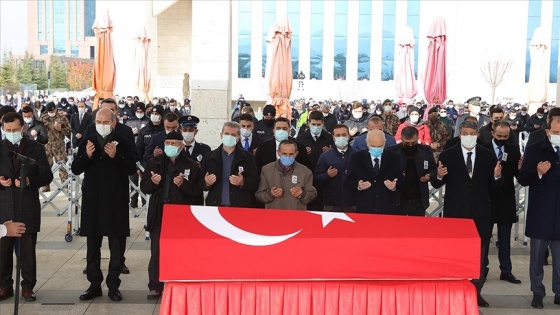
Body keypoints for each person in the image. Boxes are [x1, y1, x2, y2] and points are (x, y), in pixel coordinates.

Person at [432, 120, 503, 308]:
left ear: (477, 135)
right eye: (465, 133)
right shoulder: (448, 155)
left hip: (481, 213)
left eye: (472, 133)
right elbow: (438, 182)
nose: (469, 136)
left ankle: (475, 292)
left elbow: (495, 186)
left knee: (479, 254)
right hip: (456, 213)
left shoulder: (488, 156)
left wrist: (497, 176)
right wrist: (438, 175)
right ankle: (454, 291)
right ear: (459, 135)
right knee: (454, 252)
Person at [71, 108, 137, 302]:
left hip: (115, 200)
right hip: (93, 200)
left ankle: (113, 285)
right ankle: (94, 284)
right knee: (93, 245)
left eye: (105, 122)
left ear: (113, 123)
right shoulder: (88, 140)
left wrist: (116, 155)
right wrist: (87, 156)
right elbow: (76, 167)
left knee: (116, 246)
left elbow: (131, 168)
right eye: (98, 121)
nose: (101, 125)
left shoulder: (123, 142)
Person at [141, 131, 202, 300]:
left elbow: (197, 192)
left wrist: (184, 185)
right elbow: (144, 187)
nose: (170, 147)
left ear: (181, 146)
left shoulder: (191, 165)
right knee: (157, 251)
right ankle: (155, 285)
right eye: (167, 143)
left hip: (180, 214)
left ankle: (179, 282)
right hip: (159, 211)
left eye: (174, 144)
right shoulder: (154, 163)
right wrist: (152, 183)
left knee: (181, 250)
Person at [0, 112, 53, 301]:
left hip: (27, 205)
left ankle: (28, 286)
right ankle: (4, 286)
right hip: (3, 206)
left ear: (23, 128)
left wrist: (30, 180)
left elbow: (47, 176)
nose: (11, 133)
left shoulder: (35, 148)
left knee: (27, 251)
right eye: (7, 130)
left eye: (15, 130)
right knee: (2, 250)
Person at [518, 118, 560, 309]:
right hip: (541, 211)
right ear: (548, 131)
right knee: (537, 256)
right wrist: (538, 172)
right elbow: (523, 178)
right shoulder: (535, 149)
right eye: (557, 132)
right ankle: (537, 292)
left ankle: (559, 291)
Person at [482, 121, 523, 286]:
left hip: (506, 199)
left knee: (505, 238)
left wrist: (521, 169)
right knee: (484, 238)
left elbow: (519, 176)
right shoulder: (483, 149)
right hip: (487, 198)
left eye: (505, 137)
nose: (502, 139)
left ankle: (506, 271)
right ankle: (482, 270)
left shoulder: (513, 150)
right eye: (499, 136)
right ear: (493, 133)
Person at [200, 122, 259, 207]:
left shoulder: (248, 157)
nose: (229, 137)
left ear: (238, 138)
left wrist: (243, 182)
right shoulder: (210, 157)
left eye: (233, 135)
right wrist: (206, 183)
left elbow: (256, 182)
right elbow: (200, 182)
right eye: (227, 134)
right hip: (215, 207)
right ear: (221, 135)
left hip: (240, 207)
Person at [344, 129, 404, 214]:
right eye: (373, 145)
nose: (376, 149)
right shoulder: (357, 158)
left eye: (379, 146)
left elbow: (401, 183)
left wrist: (394, 187)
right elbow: (348, 182)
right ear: (367, 142)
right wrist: (358, 186)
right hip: (365, 209)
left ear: (384, 142)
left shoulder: (394, 158)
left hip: (387, 209)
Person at [386, 126, 436, 216]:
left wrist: (428, 175)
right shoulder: (392, 151)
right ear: (401, 139)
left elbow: (433, 168)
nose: (410, 145)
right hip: (398, 198)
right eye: (407, 143)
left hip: (418, 198)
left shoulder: (426, 150)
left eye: (413, 143)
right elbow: (386, 171)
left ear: (418, 139)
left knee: (418, 228)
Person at [255, 139, 317, 210]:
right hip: (274, 217)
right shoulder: (266, 170)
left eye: (291, 154)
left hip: (296, 217)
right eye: (284, 153)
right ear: (278, 153)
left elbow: (312, 195)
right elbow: (259, 195)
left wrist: (302, 194)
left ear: (296, 153)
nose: (288, 156)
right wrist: (270, 194)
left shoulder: (306, 172)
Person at [296, 111, 334, 211]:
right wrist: (303, 154)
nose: (316, 127)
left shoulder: (329, 138)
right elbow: (295, 159)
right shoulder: (300, 139)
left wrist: (330, 154)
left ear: (323, 124)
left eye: (318, 124)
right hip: (305, 180)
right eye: (313, 124)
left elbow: (335, 159)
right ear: (309, 123)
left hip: (324, 180)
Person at [314, 124, 357, 212]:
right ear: (333, 137)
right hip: (331, 205)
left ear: (348, 136)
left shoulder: (357, 155)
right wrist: (327, 175)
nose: (341, 137)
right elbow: (317, 178)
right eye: (338, 135)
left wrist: (352, 176)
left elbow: (364, 177)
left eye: (344, 135)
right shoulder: (325, 156)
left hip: (352, 204)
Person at [40, 102, 71, 192]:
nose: (51, 112)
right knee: (46, 165)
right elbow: (38, 130)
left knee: (62, 165)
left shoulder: (62, 117)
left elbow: (69, 131)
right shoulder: (43, 118)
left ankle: (65, 184)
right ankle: (45, 185)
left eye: (52, 110)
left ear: (55, 109)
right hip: (46, 145)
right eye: (49, 111)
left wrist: (61, 129)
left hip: (59, 145)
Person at [125, 102, 150, 208]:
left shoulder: (148, 121)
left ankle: (145, 202)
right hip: (132, 153)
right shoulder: (130, 121)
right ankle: (133, 201)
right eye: (137, 111)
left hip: (144, 153)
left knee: (144, 180)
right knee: (133, 180)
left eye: (141, 111)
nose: (139, 113)